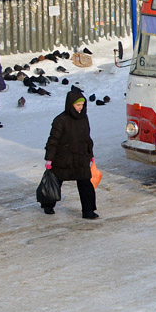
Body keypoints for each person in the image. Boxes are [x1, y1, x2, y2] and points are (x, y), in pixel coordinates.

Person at [40, 88, 98, 219]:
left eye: (82, 105)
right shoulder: (60, 120)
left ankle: (88, 211)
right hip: (63, 158)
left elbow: (87, 137)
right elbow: (53, 140)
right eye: (78, 105)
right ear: (70, 104)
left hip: (81, 158)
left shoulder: (84, 118)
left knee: (85, 185)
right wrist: (49, 159)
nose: (80, 108)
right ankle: (48, 204)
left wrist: (90, 154)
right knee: (55, 182)